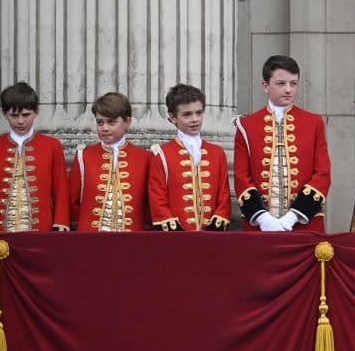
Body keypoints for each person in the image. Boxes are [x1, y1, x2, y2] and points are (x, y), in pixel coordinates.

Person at [234, 56, 331, 232]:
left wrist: (294, 216)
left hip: (305, 224)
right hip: (259, 228)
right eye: (281, 83)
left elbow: (323, 174)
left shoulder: (314, 122)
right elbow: (241, 177)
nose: (288, 90)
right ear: (265, 86)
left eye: (293, 83)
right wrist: (262, 218)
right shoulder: (246, 126)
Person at [0, 82, 70, 232]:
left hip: (41, 230)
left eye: (26, 114)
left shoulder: (52, 146)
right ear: (4, 114)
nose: (20, 121)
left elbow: (60, 188)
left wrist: (61, 221)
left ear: (36, 112)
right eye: (14, 115)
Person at [148, 84, 232, 231]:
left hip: (212, 237)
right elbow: (157, 199)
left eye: (199, 113)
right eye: (187, 114)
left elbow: (223, 195)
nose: (195, 119)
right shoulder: (161, 154)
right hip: (176, 238)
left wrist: (218, 220)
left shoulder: (217, 153)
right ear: (173, 117)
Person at [69, 92, 151, 231]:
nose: (104, 128)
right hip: (90, 241)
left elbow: (149, 206)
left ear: (127, 122)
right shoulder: (84, 156)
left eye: (111, 122)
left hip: (133, 242)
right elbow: (72, 202)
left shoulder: (144, 158)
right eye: (100, 122)